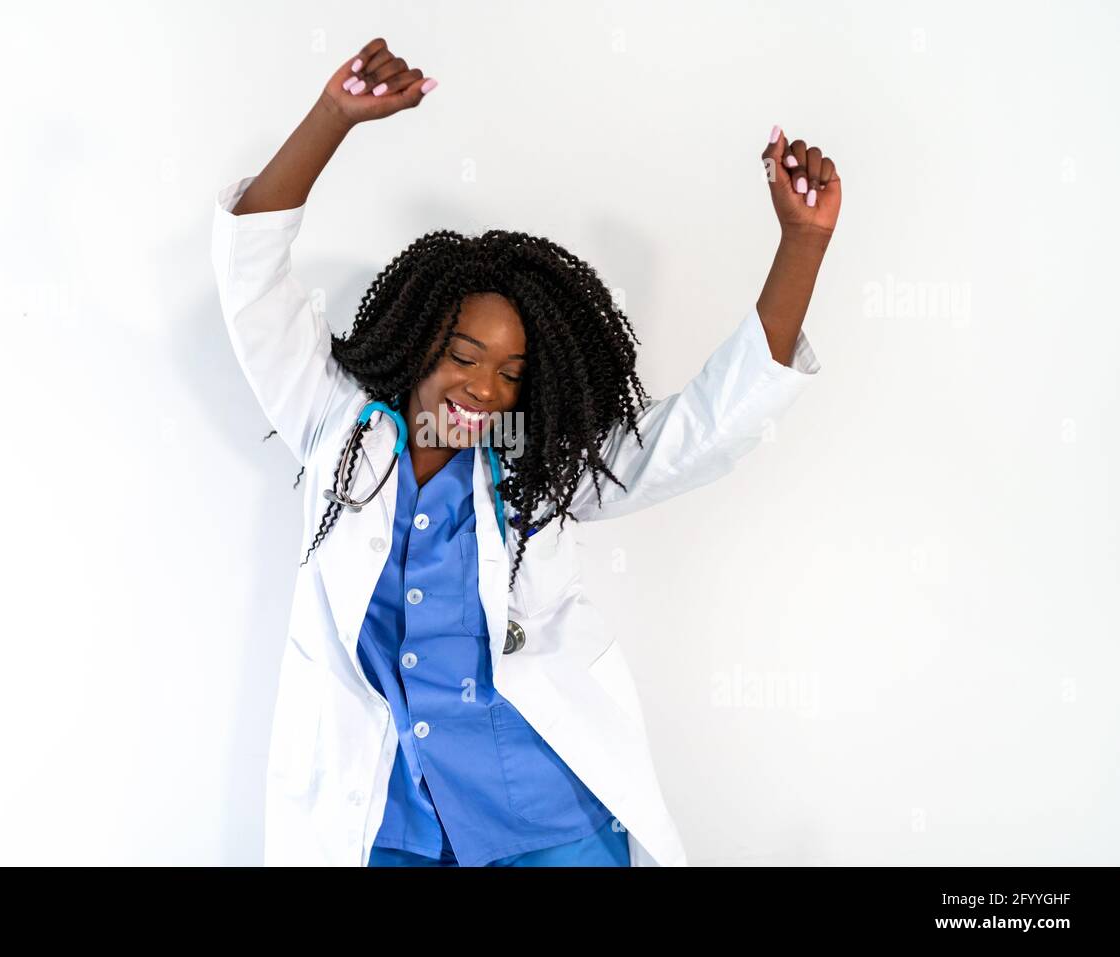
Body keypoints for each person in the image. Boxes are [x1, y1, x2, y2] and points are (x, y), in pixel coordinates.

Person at [210, 37, 839, 867]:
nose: (482, 390)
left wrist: (804, 245)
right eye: (464, 356)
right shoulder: (337, 426)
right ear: (415, 336)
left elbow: (699, 432)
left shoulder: (534, 464)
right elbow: (252, 276)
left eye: (511, 374)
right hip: (379, 818)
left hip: (544, 818)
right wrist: (335, 116)